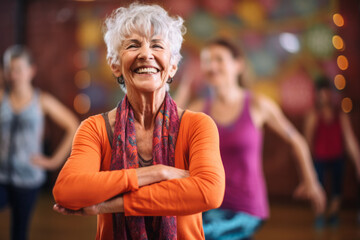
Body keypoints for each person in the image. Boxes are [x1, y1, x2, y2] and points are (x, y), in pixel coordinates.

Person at [52, 3, 225, 240]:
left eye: (157, 45)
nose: (146, 54)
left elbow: (209, 193)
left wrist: (110, 205)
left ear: (173, 66)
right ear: (115, 65)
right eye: (133, 45)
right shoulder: (95, 129)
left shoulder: (198, 125)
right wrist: (159, 173)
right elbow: (67, 190)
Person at [175, 38, 326, 240]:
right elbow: (167, 128)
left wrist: (311, 180)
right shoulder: (200, 107)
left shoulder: (258, 105)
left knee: (194, 234)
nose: (212, 66)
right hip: (210, 204)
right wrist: (184, 87)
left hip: (246, 207)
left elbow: (296, 140)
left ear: (238, 65)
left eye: (219, 59)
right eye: (207, 61)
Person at [0, 45, 79, 240]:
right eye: (10, 69)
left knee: (19, 231)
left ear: (31, 71)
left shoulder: (42, 101)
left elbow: (73, 126)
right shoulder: (1, 98)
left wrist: (53, 162)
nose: (14, 75)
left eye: (19, 69)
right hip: (1, 176)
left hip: (28, 178)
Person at [304, 77, 360, 228]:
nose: (323, 97)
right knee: (319, 189)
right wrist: (306, 165)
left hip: (337, 157)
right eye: (320, 94)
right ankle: (319, 215)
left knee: (337, 189)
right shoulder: (313, 115)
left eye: (326, 93)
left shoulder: (340, 114)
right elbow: (307, 141)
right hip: (319, 158)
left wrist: (357, 161)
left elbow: (350, 141)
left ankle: (333, 214)